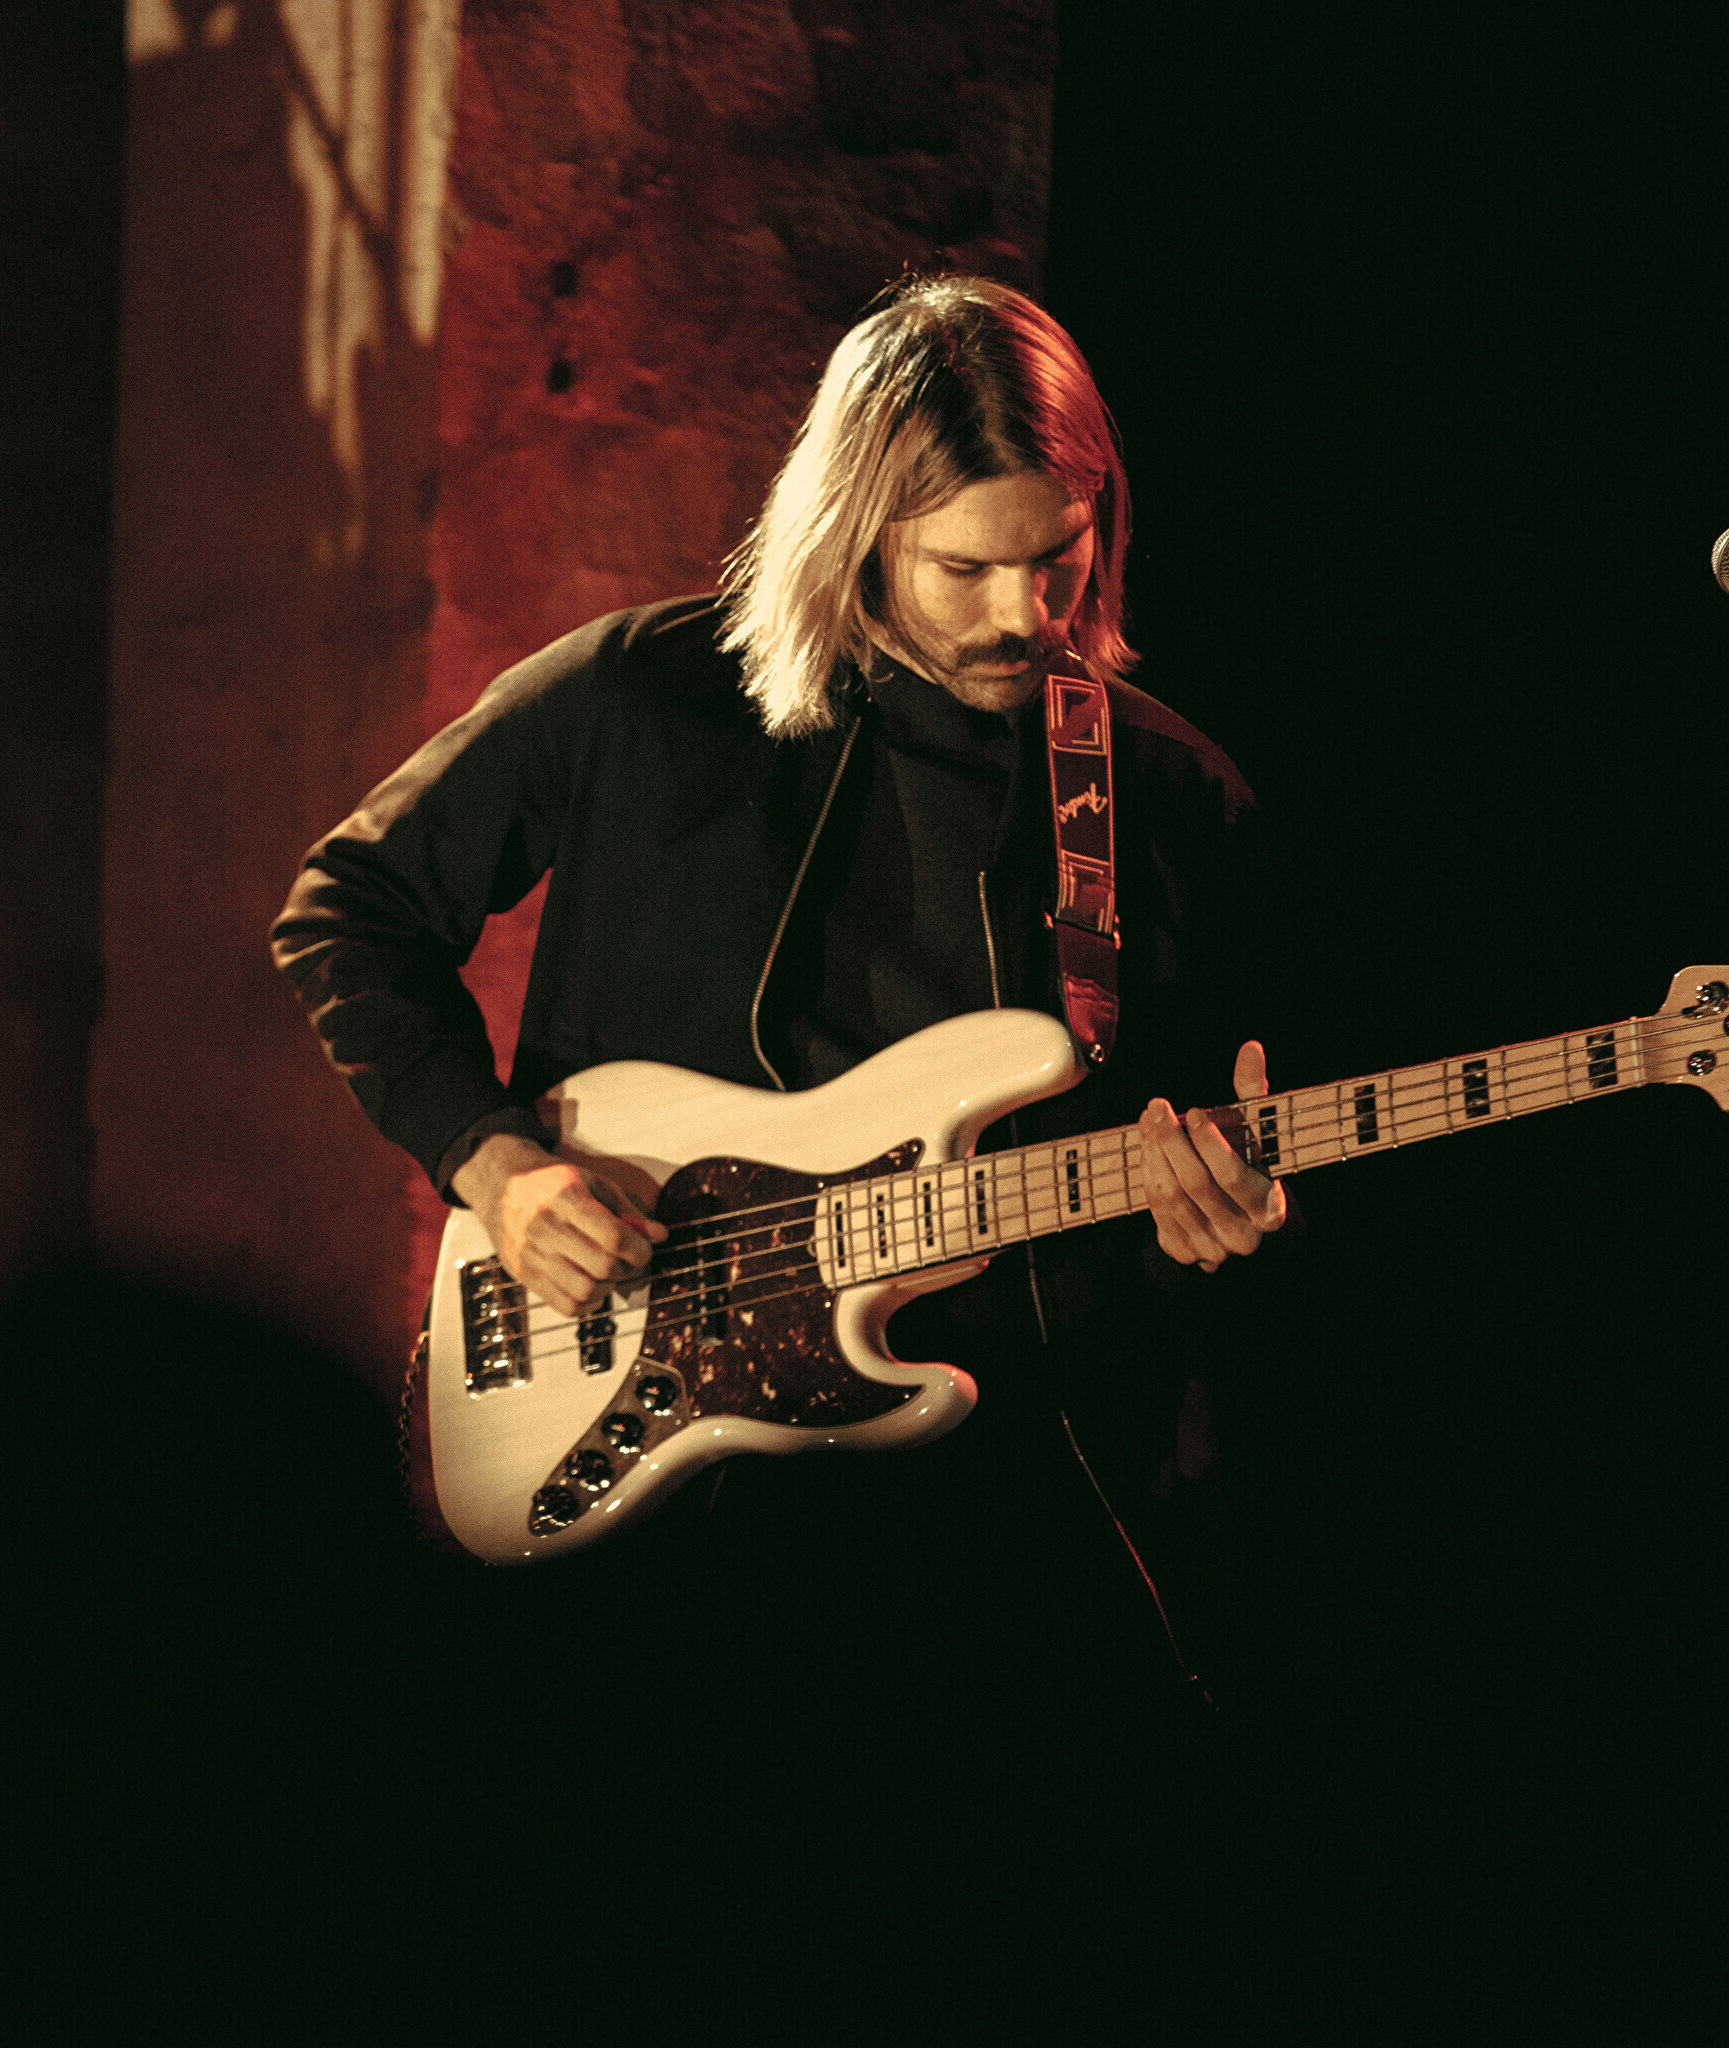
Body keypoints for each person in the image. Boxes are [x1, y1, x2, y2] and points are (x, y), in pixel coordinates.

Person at [272, 275, 1288, 1758]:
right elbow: (346, 908)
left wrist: (1220, 1225)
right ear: (856, 530)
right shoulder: (642, 697)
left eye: (1058, 559)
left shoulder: (1174, 798)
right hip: (665, 1517)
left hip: (1008, 1536)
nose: (1026, 616)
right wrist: (495, 1162)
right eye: (966, 567)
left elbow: (1226, 1158)